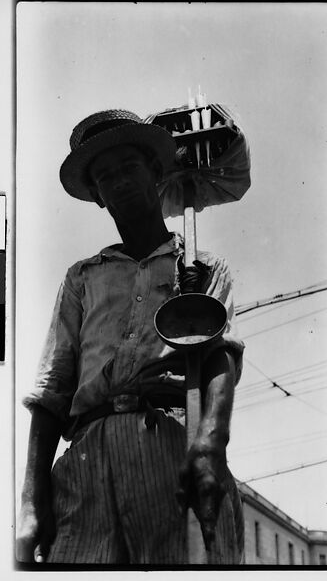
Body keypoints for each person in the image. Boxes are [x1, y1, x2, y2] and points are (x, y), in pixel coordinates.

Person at [16, 109, 245, 565]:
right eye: (104, 177)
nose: (118, 182)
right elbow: (52, 390)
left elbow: (221, 358)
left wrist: (209, 445)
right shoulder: (83, 277)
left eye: (128, 167)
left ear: (157, 172)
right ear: (97, 196)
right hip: (84, 461)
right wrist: (30, 497)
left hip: (169, 446)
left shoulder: (199, 269)